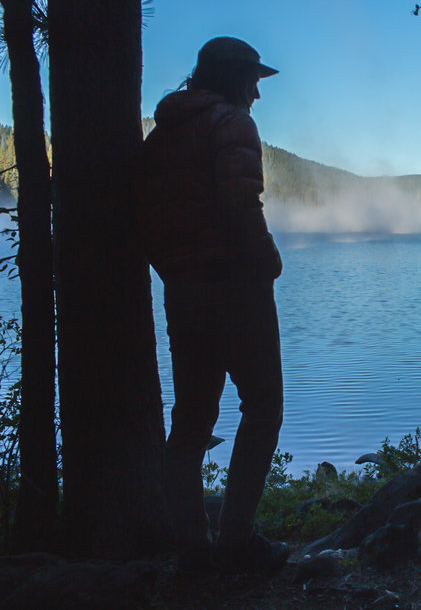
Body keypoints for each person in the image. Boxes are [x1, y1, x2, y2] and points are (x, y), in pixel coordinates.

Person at [139, 36, 287, 573]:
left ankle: (192, 549)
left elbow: (144, 219)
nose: (257, 94)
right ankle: (236, 542)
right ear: (232, 80)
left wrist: (174, 269)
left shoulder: (160, 138)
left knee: (192, 420)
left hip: (183, 291)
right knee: (263, 405)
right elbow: (240, 203)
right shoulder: (231, 123)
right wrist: (267, 263)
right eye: (252, 81)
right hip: (236, 286)